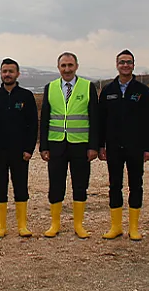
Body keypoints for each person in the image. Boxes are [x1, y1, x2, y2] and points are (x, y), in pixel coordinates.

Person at [97, 50, 149, 241]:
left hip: (135, 147)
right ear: (116, 65)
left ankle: (134, 227)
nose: (125, 65)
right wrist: (101, 145)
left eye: (128, 62)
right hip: (113, 146)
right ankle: (115, 227)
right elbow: (101, 121)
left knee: (136, 185)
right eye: (122, 62)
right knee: (115, 185)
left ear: (133, 65)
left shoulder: (142, 91)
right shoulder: (108, 91)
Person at [40, 52, 99, 239]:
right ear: (58, 68)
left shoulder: (88, 86)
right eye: (63, 66)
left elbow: (94, 119)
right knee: (56, 185)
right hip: (56, 143)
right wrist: (44, 146)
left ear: (76, 66)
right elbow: (45, 118)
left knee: (80, 184)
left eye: (70, 65)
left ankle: (79, 225)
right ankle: (55, 224)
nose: (67, 69)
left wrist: (93, 146)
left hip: (80, 144)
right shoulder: (50, 88)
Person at [0, 58, 38, 238]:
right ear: (0, 73)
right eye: (4, 71)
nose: (7, 74)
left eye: (11, 71)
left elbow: (32, 125)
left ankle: (22, 226)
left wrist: (29, 149)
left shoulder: (26, 96)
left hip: (20, 151)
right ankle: (1, 226)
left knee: (21, 186)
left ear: (17, 74)